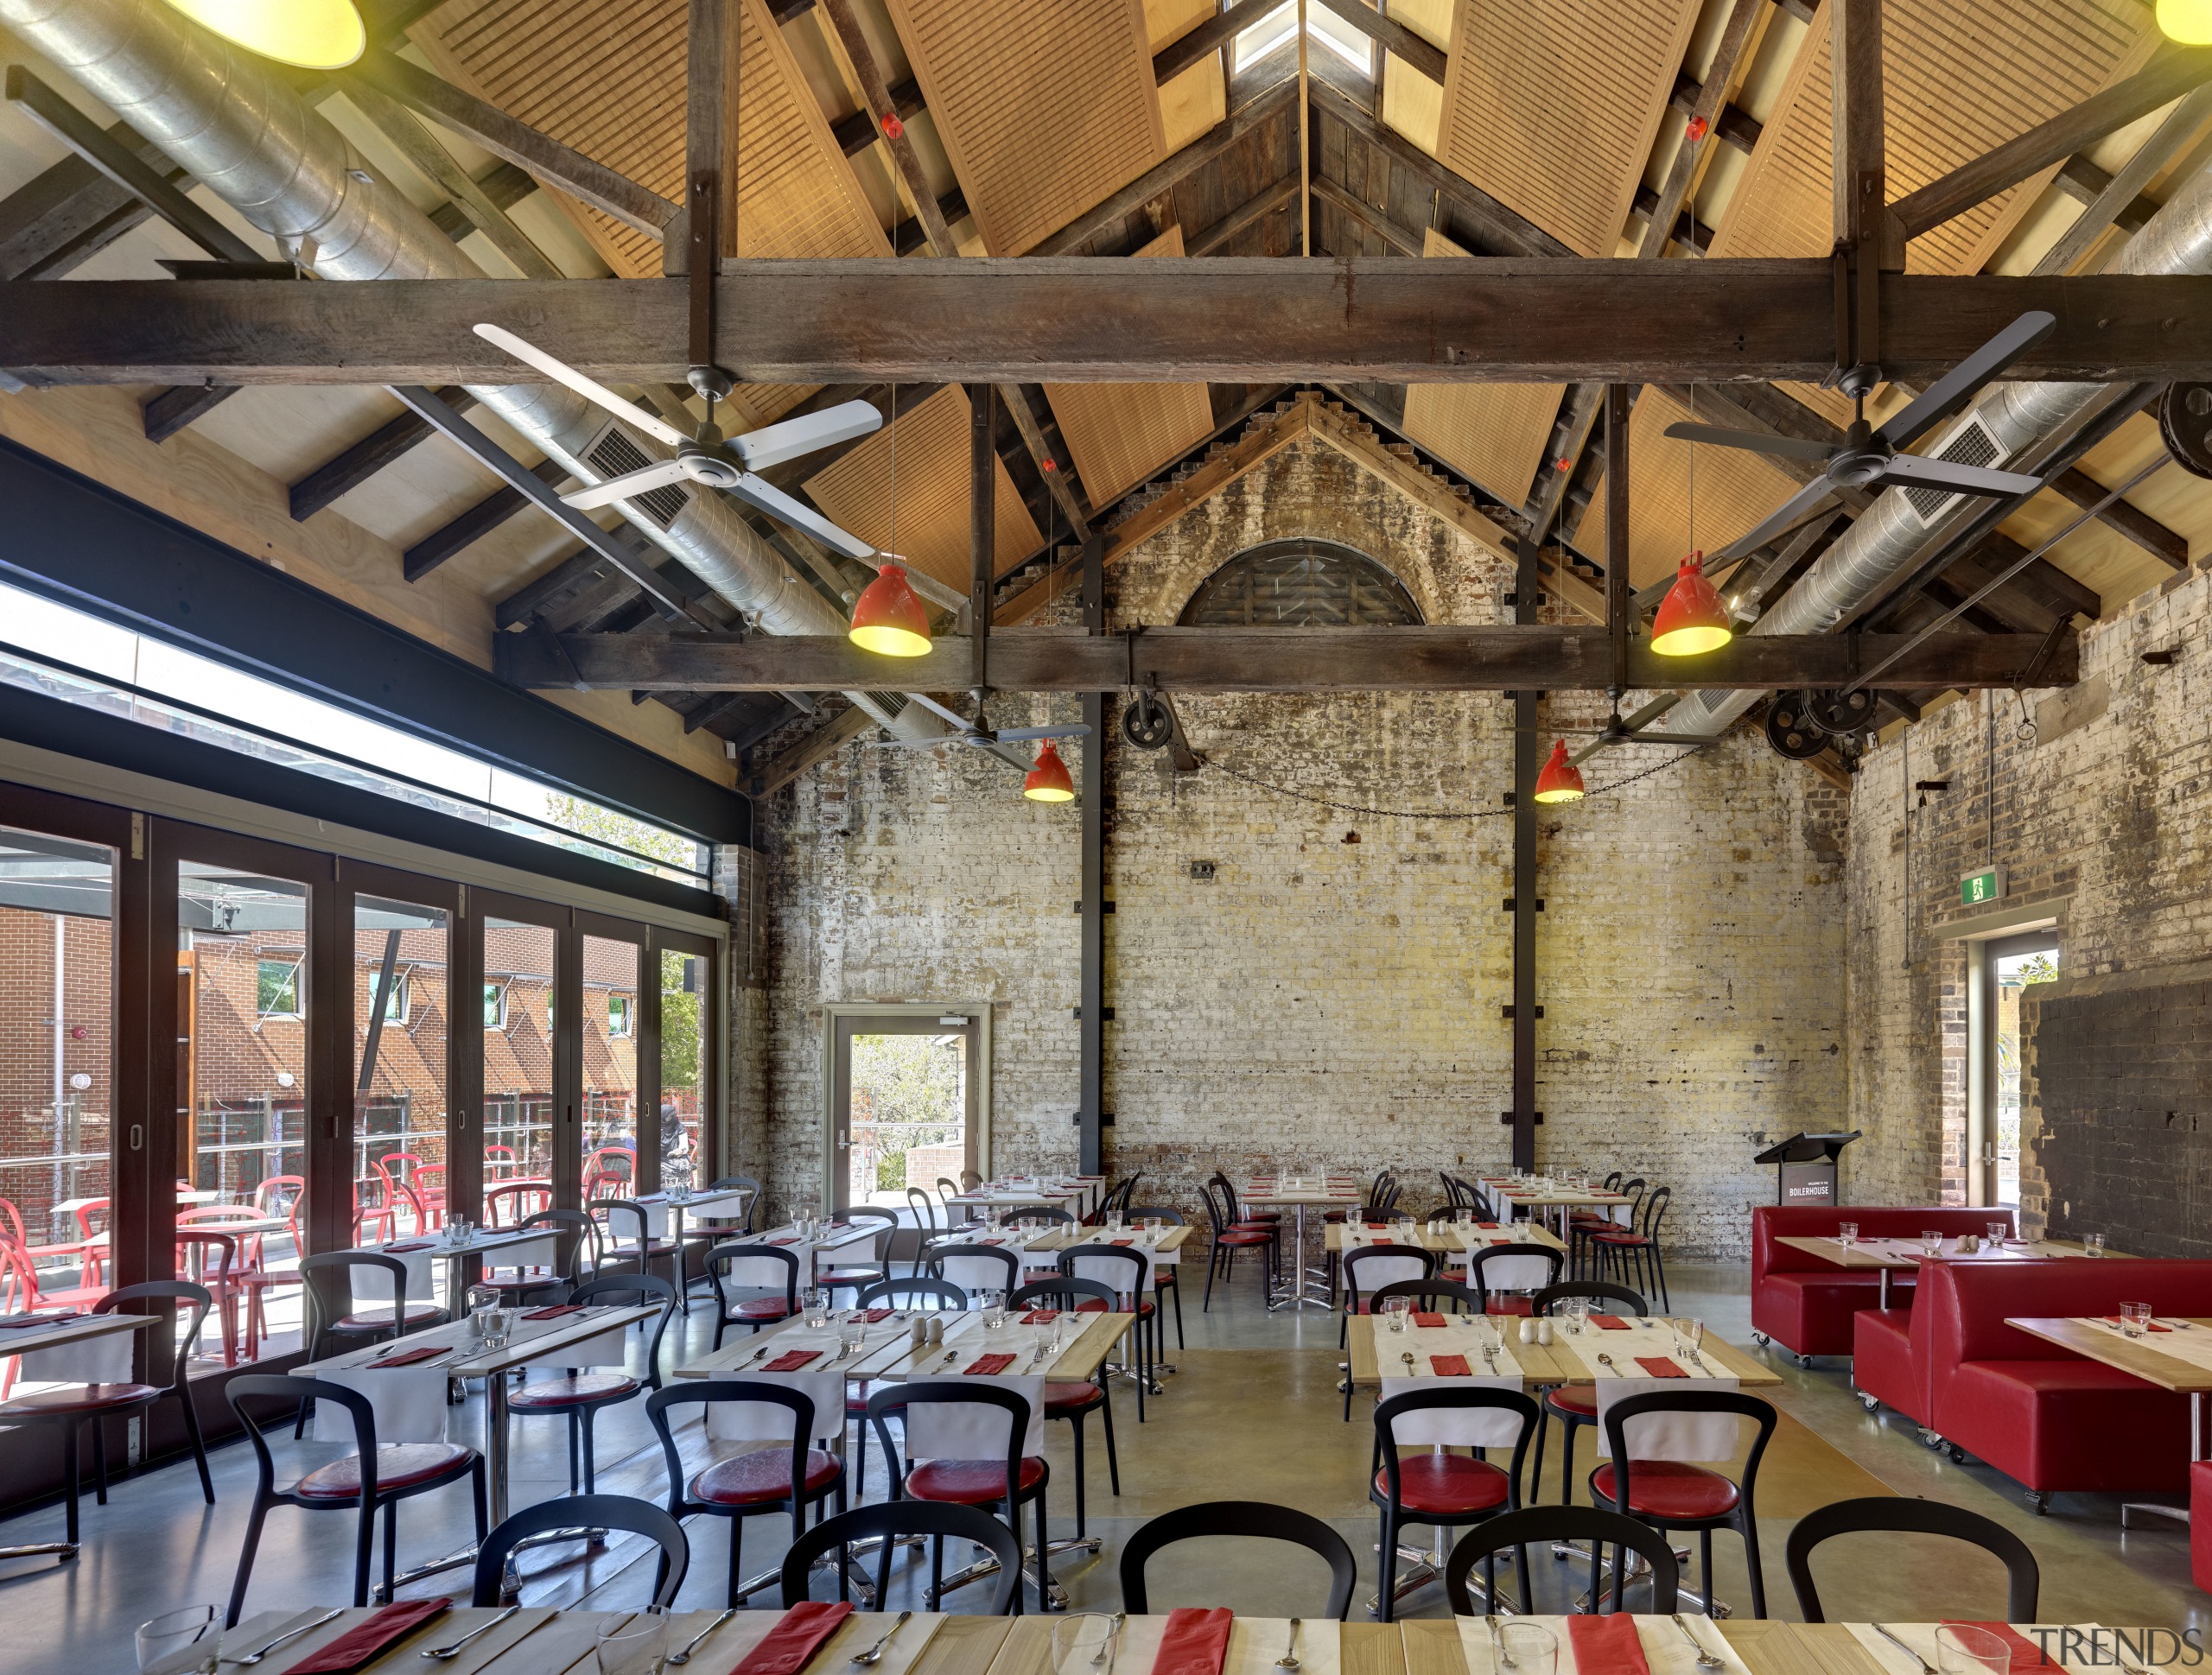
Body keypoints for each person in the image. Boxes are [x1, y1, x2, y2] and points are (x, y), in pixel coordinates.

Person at [659, 1093, 692, 1181]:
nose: (673, 1117)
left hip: (678, 1158)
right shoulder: (656, 1128)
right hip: (660, 1159)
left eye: (673, 1114)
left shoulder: (679, 1127)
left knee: (682, 1167)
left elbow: (684, 1147)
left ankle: (681, 1190)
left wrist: (677, 1152)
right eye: (669, 1116)